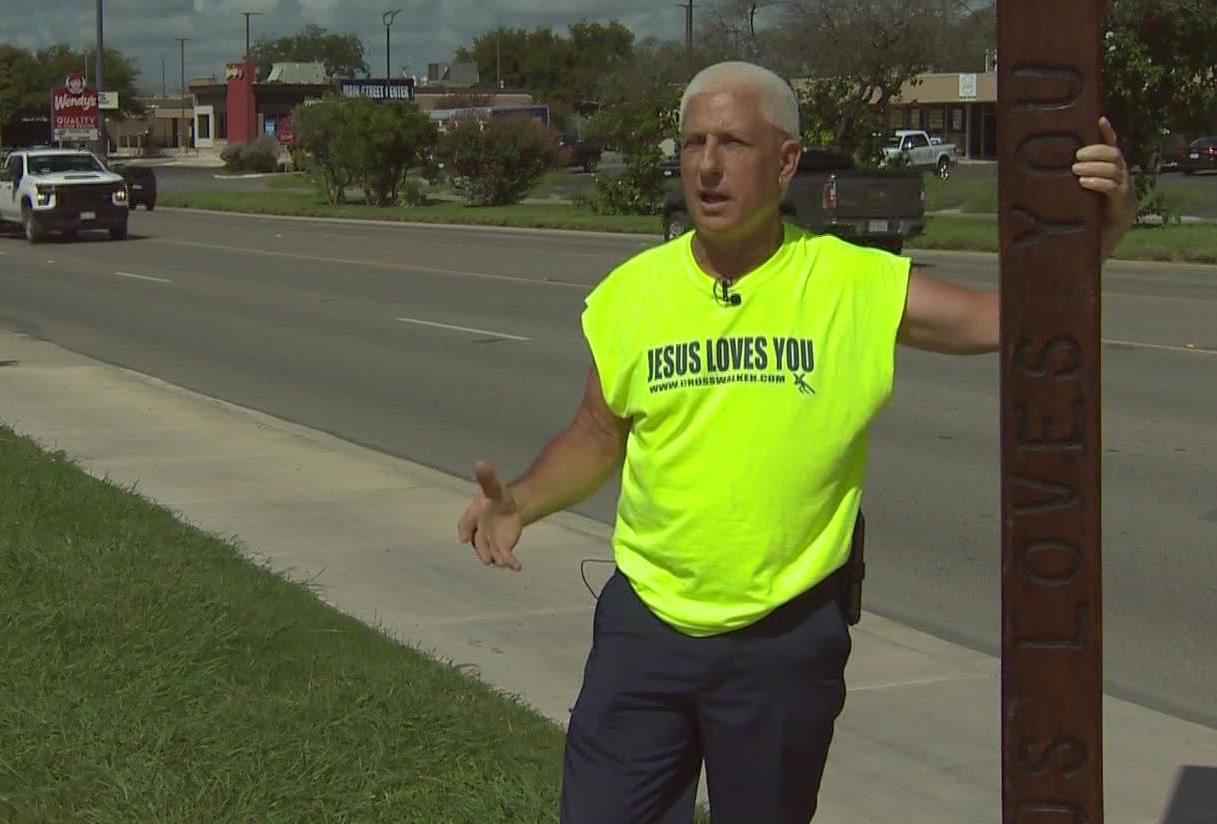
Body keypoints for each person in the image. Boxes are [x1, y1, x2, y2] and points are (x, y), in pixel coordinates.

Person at [456, 60, 1138, 824]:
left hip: (783, 639)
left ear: (785, 162)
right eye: (693, 144)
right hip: (645, 628)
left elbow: (1006, 319)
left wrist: (1098, 237)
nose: (708, 166)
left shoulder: (850, 284)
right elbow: (595, 433)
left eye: (734, 144)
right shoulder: (632, 294)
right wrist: (523, 500)